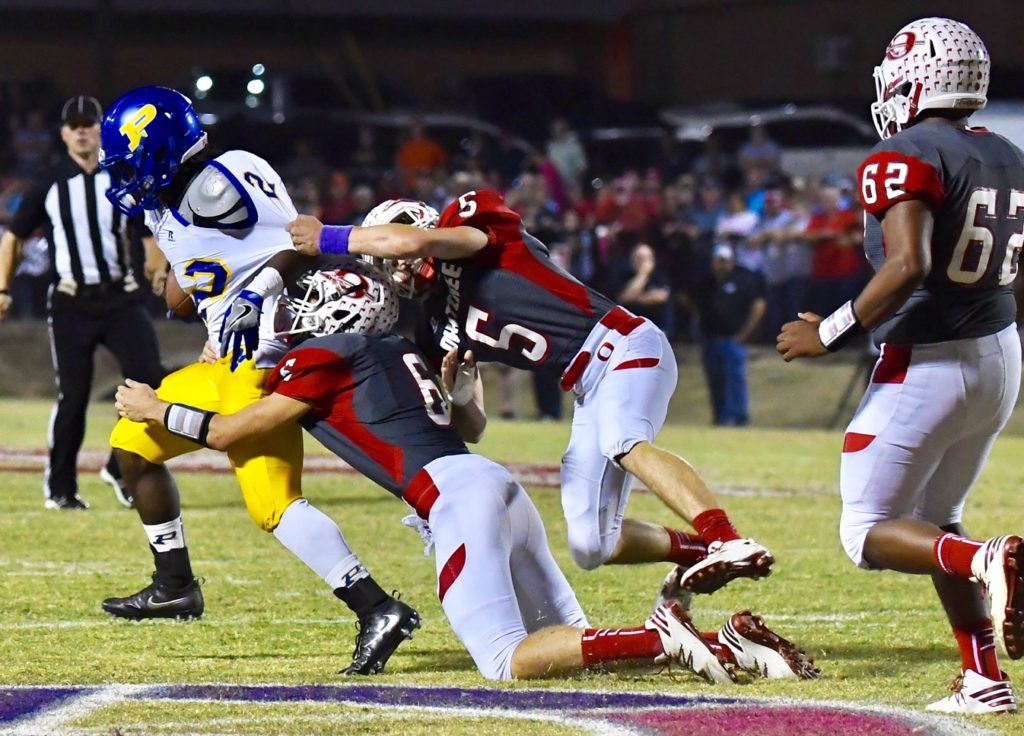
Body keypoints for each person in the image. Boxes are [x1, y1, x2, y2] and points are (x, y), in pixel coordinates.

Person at [114, 264, 818, 684]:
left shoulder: (331, 353)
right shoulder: (394, 351)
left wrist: (156, 408)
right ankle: (729, 641)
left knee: (507, 660)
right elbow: (467, 425)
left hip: (455, 498)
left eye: (309, 305)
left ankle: (674, 635)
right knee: (571, 645)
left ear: (338, 312)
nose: (296, 317)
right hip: (491, 484)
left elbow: (231, 430)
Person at [287, 195, 777, 612]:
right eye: (384, 267)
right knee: (591, 544)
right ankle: (697, 552)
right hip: (586, 384)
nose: (396, 266)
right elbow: (474, 427)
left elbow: (411, 243)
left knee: (623, 440)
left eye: (391, 249)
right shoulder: (434, 325)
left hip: (623, 343)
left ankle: (728, 538)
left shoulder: (469, 228)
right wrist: (457, 394)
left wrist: (329, 236)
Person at [95, 86, 418, 676]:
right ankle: (174, 586)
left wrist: (253, 292)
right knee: (132, 448)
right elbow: (194, 284)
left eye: (130, 160)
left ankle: (377, 608)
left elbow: (298, 245)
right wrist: (186, 286)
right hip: (223, 359)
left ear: (160, 148)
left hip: (260, 359)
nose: (124, 177)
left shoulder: (224, 180)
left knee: (272, 505)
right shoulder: (166, 199)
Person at [777, 18, 1024, 714]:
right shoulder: (1007, 152)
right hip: (999, 351)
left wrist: (827, 333)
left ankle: (987, 558)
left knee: (865, 531)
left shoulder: (903, 153)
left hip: (928, 356)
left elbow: (909, 265)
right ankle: (983, 680)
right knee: (938, 516)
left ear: (916, 80)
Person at [0, 95, 164, 510]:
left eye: (88, 124)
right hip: (72, 301)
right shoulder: (49, 182)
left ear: (100, 129)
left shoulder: (121, 176)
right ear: (63, 134)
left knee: (149, 380)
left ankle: (117, 464)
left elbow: (148, 230)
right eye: (73, 125)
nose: (81, 131)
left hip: (122, 298)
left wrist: (157, 269)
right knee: (73, 396)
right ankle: (61, 488)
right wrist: (2, 287)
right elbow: (14, 235)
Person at [692, 245, 765, 426]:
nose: (721, 265)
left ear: (731, 262)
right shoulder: (706, 283)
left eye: (724, 261)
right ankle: (720, 418)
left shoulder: (742, 281)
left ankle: (740, 418)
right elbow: (689, 300)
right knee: (715, 380)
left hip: (732, 340)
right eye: (718, 261)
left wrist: (745, 333)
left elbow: (758, 305)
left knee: (735, 380)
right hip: (711, 339)